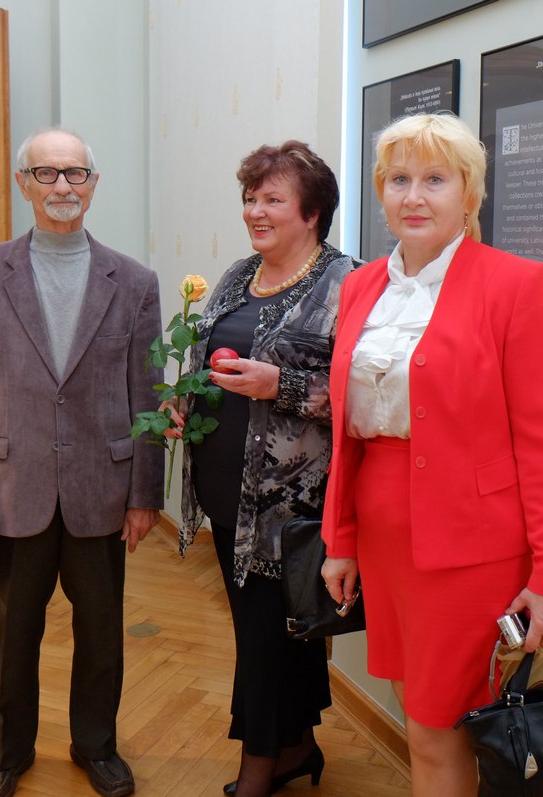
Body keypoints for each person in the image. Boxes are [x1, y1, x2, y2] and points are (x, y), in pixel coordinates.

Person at [320, 113, 543, 797]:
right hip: (385, 542)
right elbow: (347, 435)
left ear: (469, 193)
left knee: (438, 728)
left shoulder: (516, 284)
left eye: (435, 179)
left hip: (472, 550)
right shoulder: (361, 287)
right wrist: (340, 540)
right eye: (398, 179)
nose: (414, 196)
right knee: (419, 710)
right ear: (380, 192)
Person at [0, 128, 164, 797]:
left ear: (94, 184)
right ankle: (8, 752)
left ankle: (96, 744)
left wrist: (145, 493)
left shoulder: (135, 281)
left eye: (75, 173)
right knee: (12, 632)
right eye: (47, 173)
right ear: (23, 183)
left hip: (103, 488)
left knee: (101, 630)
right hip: (13, 486)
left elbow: (147, 393)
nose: (62, 186)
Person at [172, 141, 357, 797]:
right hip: (227, 493)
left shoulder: (348, 284)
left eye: (273, 199)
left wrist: (282, 385)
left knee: (266, 637)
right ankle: (298, 744)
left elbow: (363, 395)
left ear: (312, 211)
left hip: (294, 503)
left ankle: (259, 764)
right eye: (250, 197)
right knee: (277, 632)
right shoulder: (237, 275)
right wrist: (181, 400)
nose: (255, 210)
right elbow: (205, 358)